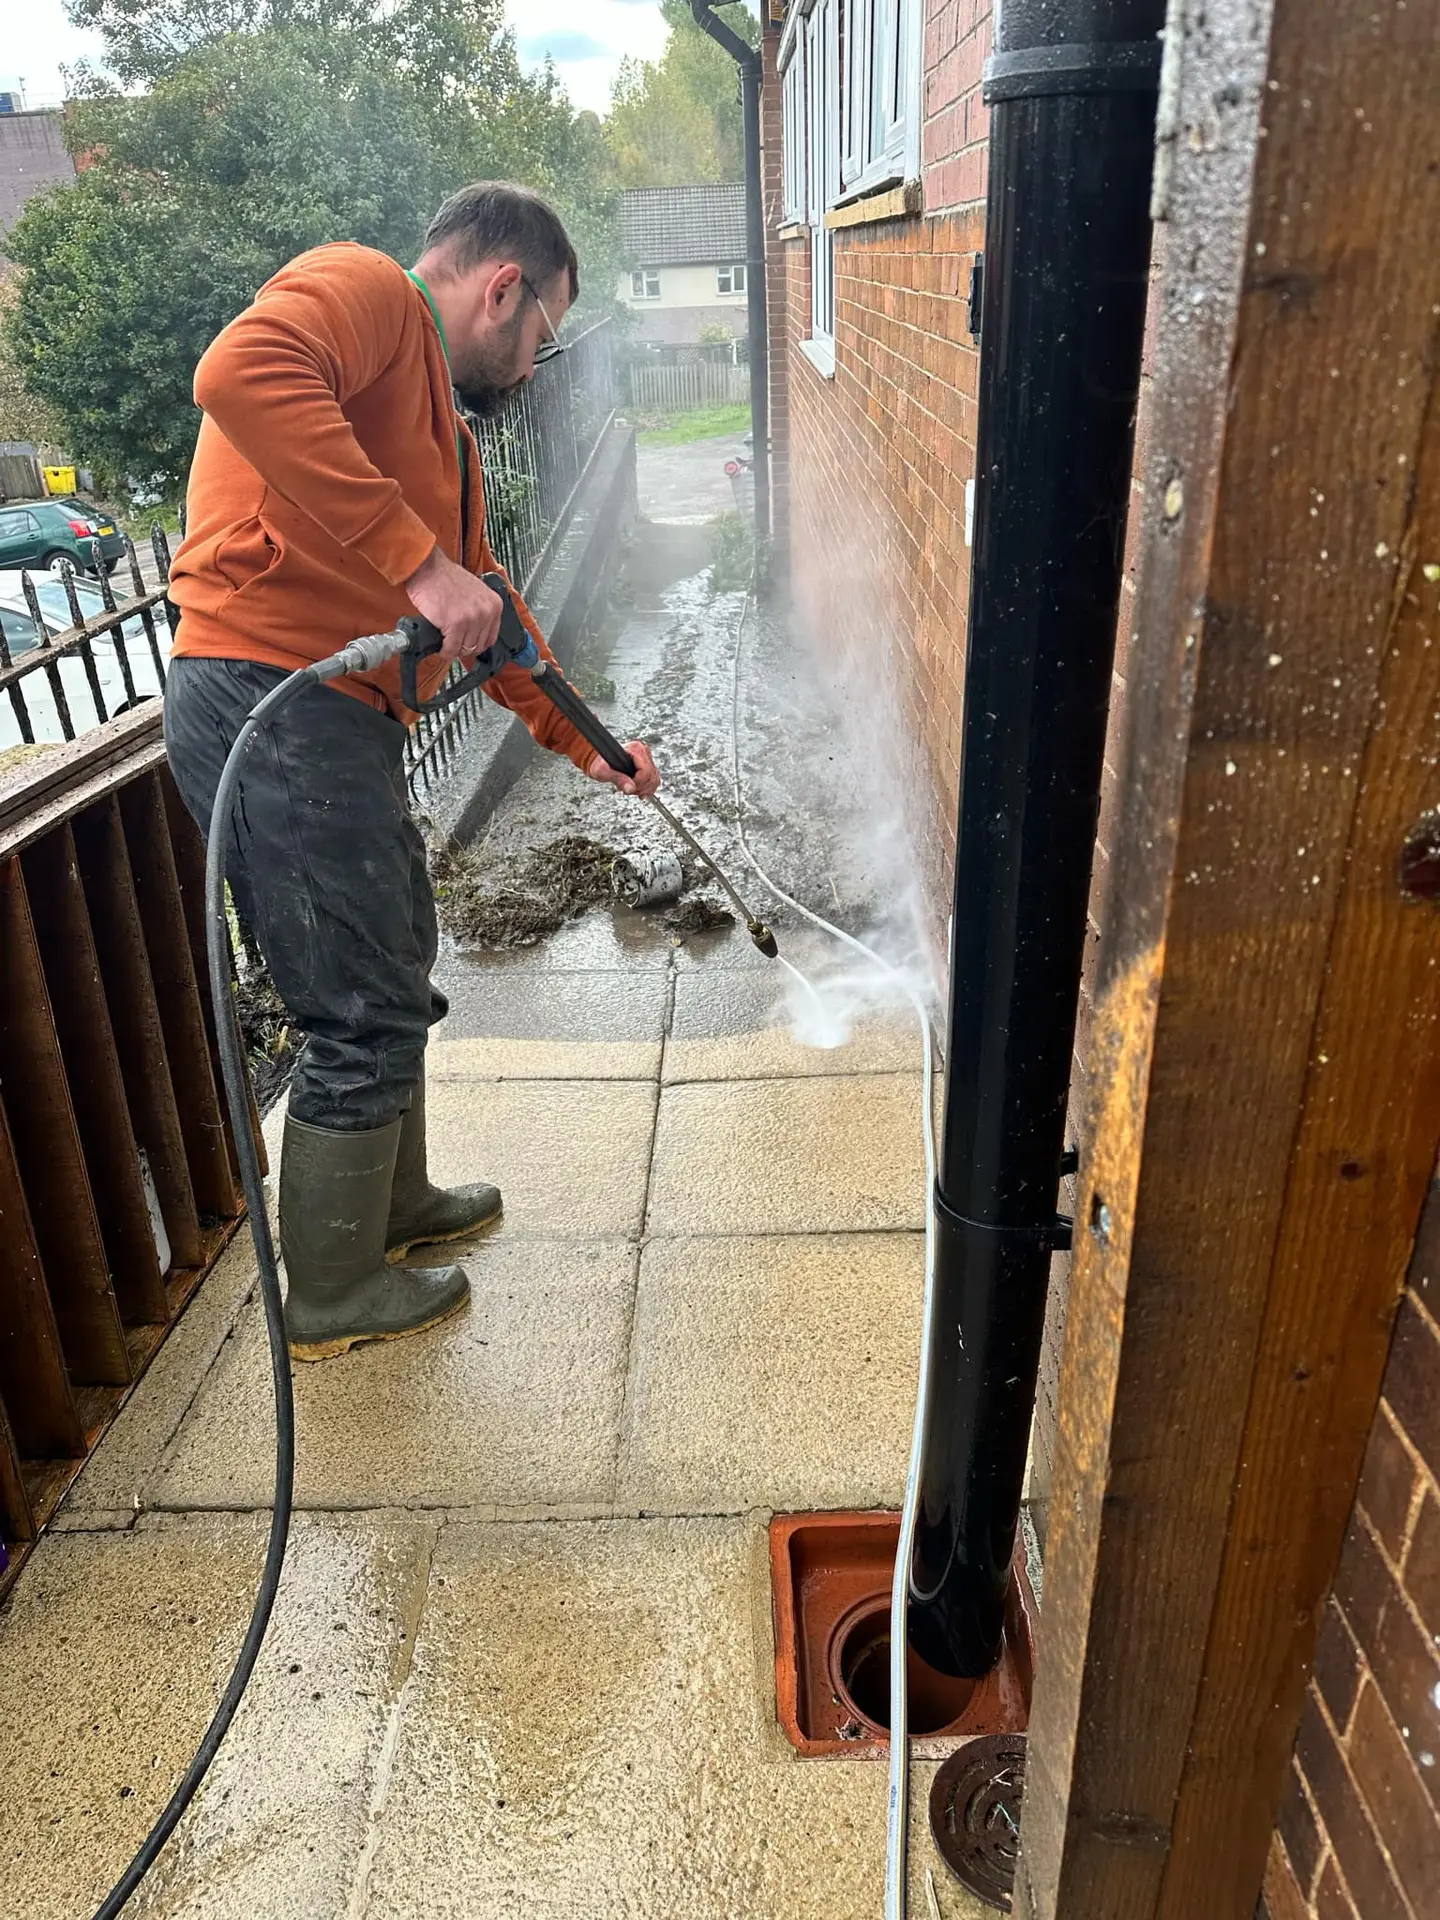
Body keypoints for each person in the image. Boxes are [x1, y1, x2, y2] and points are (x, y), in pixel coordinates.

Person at [164, 181, 660, 1364]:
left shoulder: (444, 436)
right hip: (271, 703)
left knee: (392, 961)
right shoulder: (368, 289)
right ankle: (330, 1294)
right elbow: (238, 372)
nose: (536, 366)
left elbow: (495, 621)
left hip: (335, 722)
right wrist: (418, 565)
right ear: (504, 289)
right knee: (358, 1001)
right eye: (543, 335)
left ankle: (394, 1206)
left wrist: (592, 747)